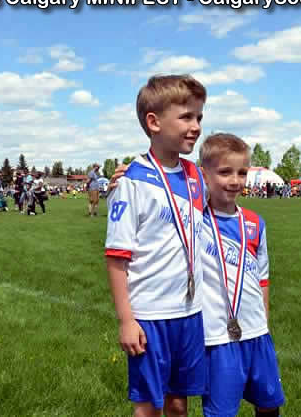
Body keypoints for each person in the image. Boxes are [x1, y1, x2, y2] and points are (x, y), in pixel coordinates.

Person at [104, 74, 207, 417]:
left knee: (179, 403)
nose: (195, 126)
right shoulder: (132, 182)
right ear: (153, 122)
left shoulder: (195, 176)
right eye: (186, 117)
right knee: (149, 406)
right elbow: (117, 258)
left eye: (199, 118)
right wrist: (126, 320)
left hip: (190, 312)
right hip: (150, 316)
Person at [197, 133, 284, 417]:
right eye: (225, 172)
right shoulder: (195, 220)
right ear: (205, 175)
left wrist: (265, 321)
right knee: (221, 412)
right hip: (218, 337)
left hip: (257, 331)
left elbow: (263, 278)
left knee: (269, 405)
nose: (235, 180)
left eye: (241, 172)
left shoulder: (255, 222)